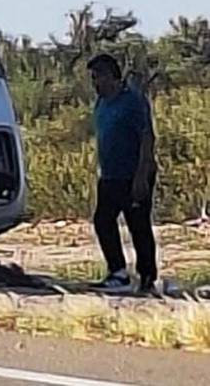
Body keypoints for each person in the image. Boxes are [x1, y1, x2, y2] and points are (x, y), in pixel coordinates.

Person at [88, 53, 158, 294]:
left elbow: (147, 138)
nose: (95, 83)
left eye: (98, 77)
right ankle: (117, 272)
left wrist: (142, 175)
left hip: (134, 173)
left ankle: (147, 276)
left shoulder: (133, 102)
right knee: (103, 220)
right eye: (93, 78)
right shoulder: (101, 103)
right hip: (110, 175)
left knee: (138, 225)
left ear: (111, 76)